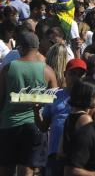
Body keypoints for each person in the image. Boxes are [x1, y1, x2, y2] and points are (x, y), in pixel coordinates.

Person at [0, 31, 58, 176]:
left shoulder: (8, 69)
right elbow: (53, 103)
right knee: (27, 169)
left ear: (20, 47)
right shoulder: (47, 71)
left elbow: (0, 99)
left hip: (9, 124)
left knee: (6, 168)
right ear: (38, 47)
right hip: (35, 126)